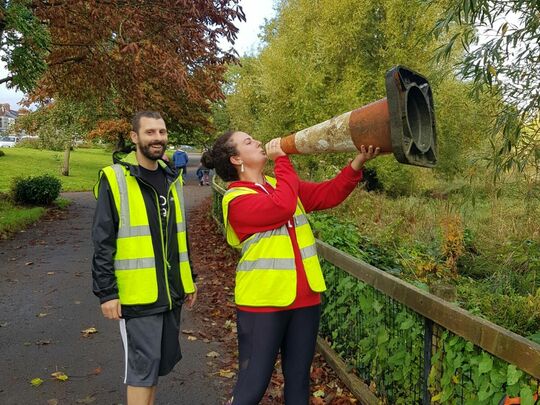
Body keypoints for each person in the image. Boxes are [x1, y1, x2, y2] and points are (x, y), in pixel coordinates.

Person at [201, 131, 380, 405]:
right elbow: (282, 207)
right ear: (236, 159)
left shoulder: (280, 185)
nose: (258, 142)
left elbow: (327, 195)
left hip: (305, 300)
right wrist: (283, 161)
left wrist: (357, 162)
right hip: (263, 303)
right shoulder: (236, 200)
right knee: (252, 386)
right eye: (249, 142)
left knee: (298, 383)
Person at [91, 111, 197, 405]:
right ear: (135, 137)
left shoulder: (170, 177)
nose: (158, 139)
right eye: (150, 133)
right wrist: (107, 293)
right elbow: (102, 241)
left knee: (154, 366)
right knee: (141, 369)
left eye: (162, 132)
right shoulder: (116, 178)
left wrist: (190, 279)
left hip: (170, 291)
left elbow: (178, 236)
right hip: (138, 294)